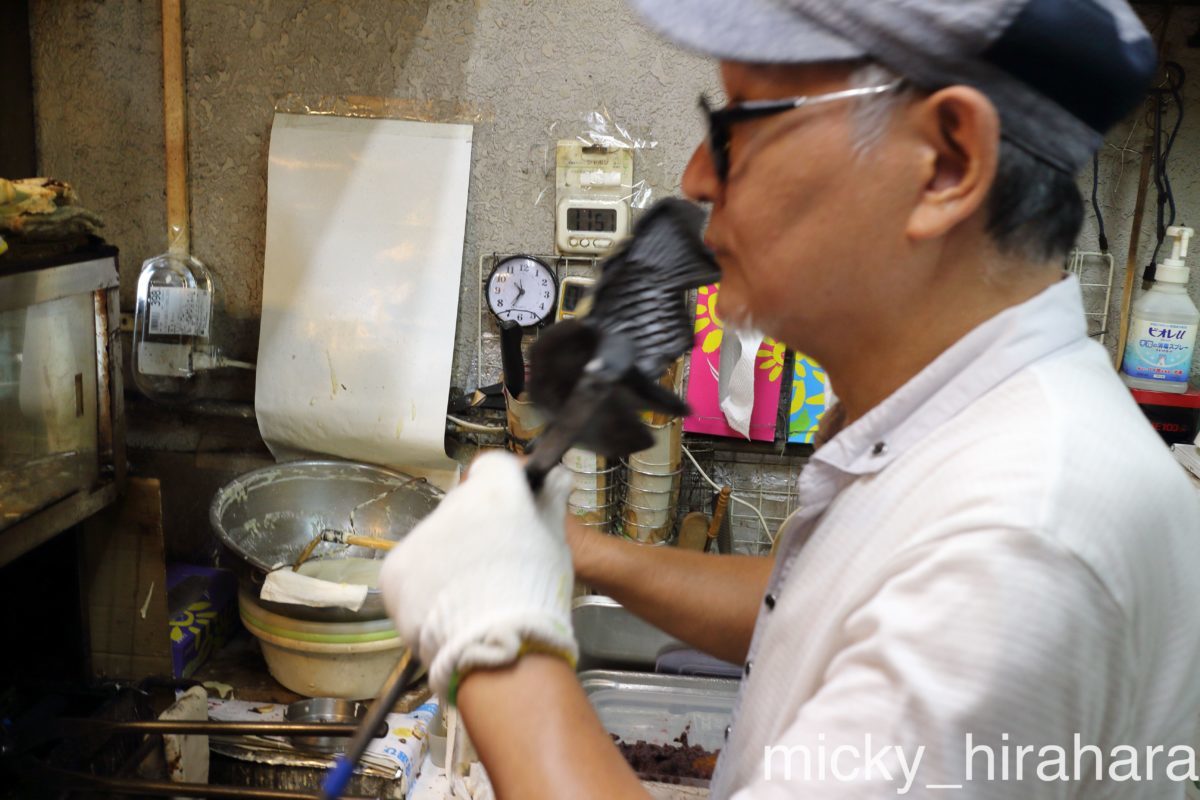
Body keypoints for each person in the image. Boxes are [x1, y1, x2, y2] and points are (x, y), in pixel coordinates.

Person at [380, 1, 1200, 796]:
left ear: (946, 162)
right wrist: (582, 550)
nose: (696, 175)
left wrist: (494, 645)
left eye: (740, 121)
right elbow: (813, 609)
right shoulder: (958, 431)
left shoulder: (1021, 543)